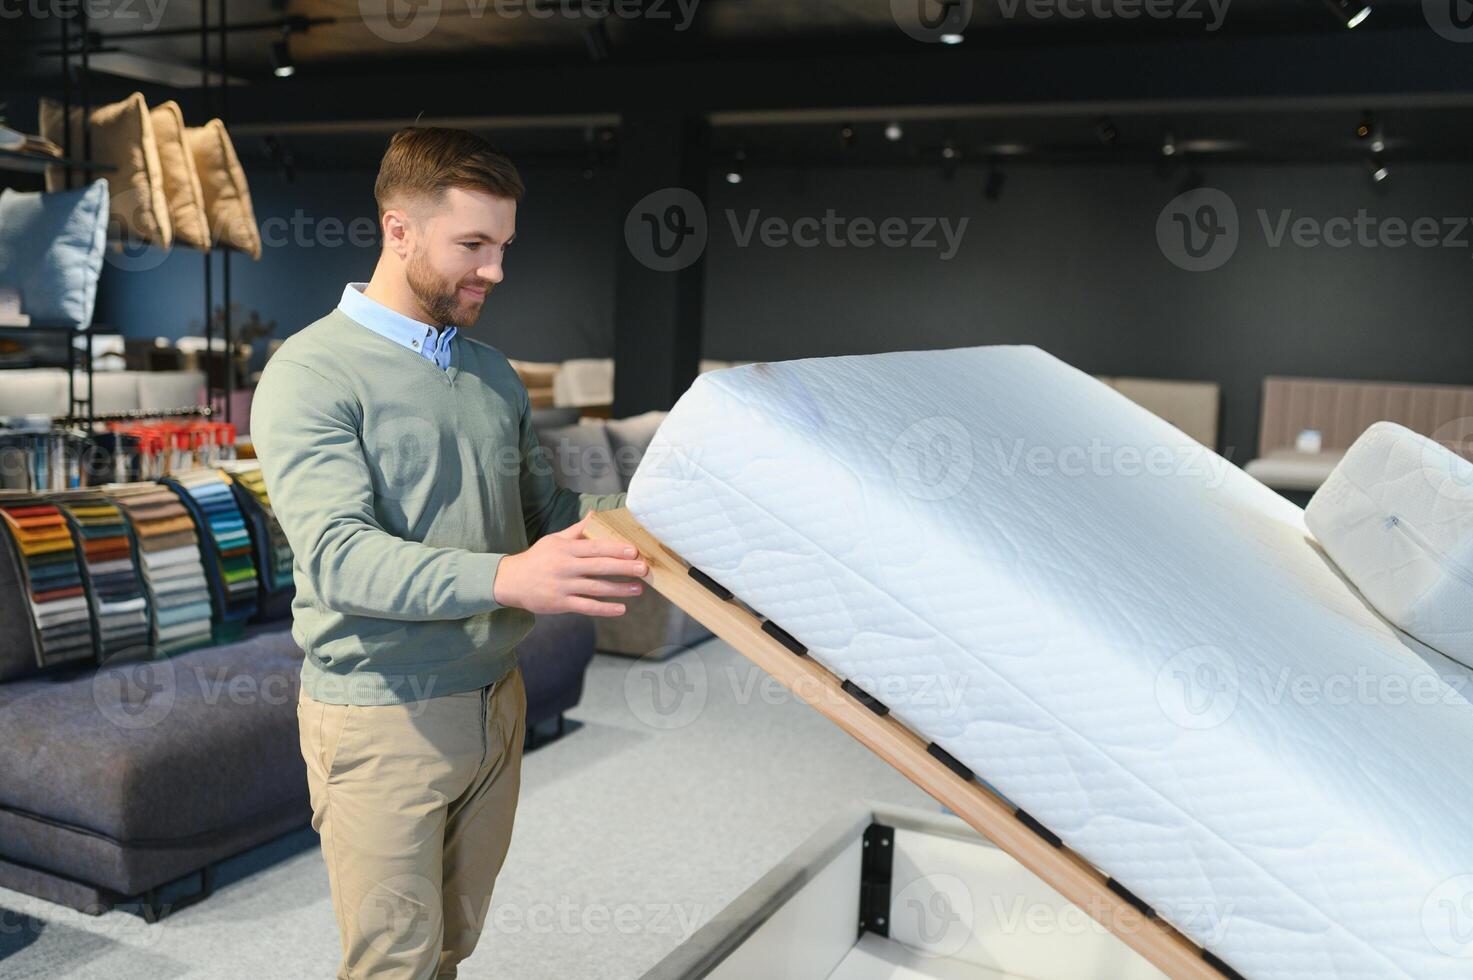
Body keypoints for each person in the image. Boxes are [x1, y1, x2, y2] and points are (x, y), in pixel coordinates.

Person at [251, 126, 646, 978]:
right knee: (394, 962)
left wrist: (668, 509)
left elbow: (549, 511)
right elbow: (339, 557)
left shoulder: (492, 373)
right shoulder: (311, 373)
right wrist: (509, 577)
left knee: (451, 948)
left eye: (502, 247)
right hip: (381, 712)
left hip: (495, 701)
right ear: (399, 230)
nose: (494, 271)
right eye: (472, 245)